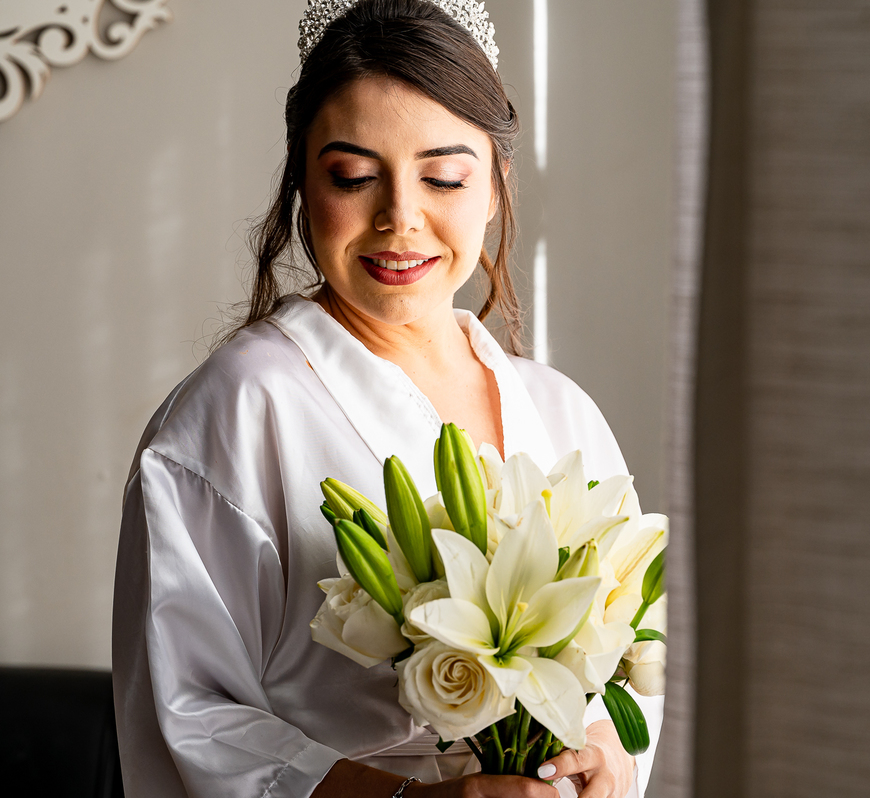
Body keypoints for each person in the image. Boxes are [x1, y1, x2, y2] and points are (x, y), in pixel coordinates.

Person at [111, 2, 659, 796]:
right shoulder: (238, 410)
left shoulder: (561, 410)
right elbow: (188, 715)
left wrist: (607, 750)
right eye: (354, 177)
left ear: (495, 185)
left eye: (444, 177)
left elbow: (633, 661)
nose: (401, 217)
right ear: (303, 182)